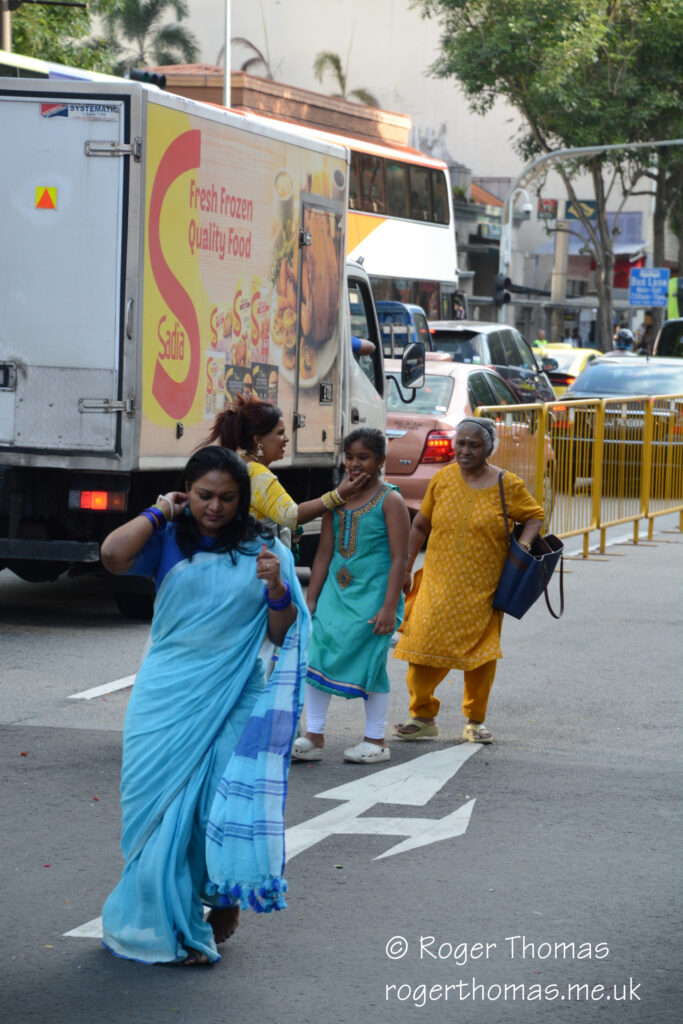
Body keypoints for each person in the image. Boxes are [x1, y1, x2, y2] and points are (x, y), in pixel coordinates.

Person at [100, 446, 309, 966]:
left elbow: (282, 634)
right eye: (203, 495)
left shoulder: (264, 549)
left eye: (227, 498)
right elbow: (111, 556)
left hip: (236, 692)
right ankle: (171, 918)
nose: (214, 507)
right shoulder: (167, 538)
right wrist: (158, 512)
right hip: (166, 693)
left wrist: (278, 588)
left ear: (242, 502)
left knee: (215, 806)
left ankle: (220, 903)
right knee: (154, 809)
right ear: (185, 493)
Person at [392, 417, 544, 745]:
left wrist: (524, 548)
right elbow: (420, 526)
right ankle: (422, 716)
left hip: (484, 587)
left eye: (474, 444)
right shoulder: (443, 479)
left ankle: (475, 721)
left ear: (489, 448)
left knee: (480, 654)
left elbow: (534, 516)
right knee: (420, 646)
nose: (464, 450)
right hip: (437, 583)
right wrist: (406, 568)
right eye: (460, 442)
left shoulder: (508, 485)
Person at [292, 428, 410, 764]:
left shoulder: (391, 500)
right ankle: (313, 736)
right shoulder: (337, 499)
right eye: (350, 457)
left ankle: (376, 739)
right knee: (317, 656)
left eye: (364, 457)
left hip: (374, 599)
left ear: (380, 461)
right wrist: (312, 598)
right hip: (335, 595)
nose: (355, 464)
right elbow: (324, 553)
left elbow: (399, 557)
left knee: (370, 665)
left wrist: (390, 607)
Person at [207, 395, 369, 542]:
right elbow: (292, 516)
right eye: (280, 433)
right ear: (258, 440)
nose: (286, 439)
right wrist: (339, 495)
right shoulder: (257, 474)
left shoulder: (243, 466)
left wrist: (283, 531)